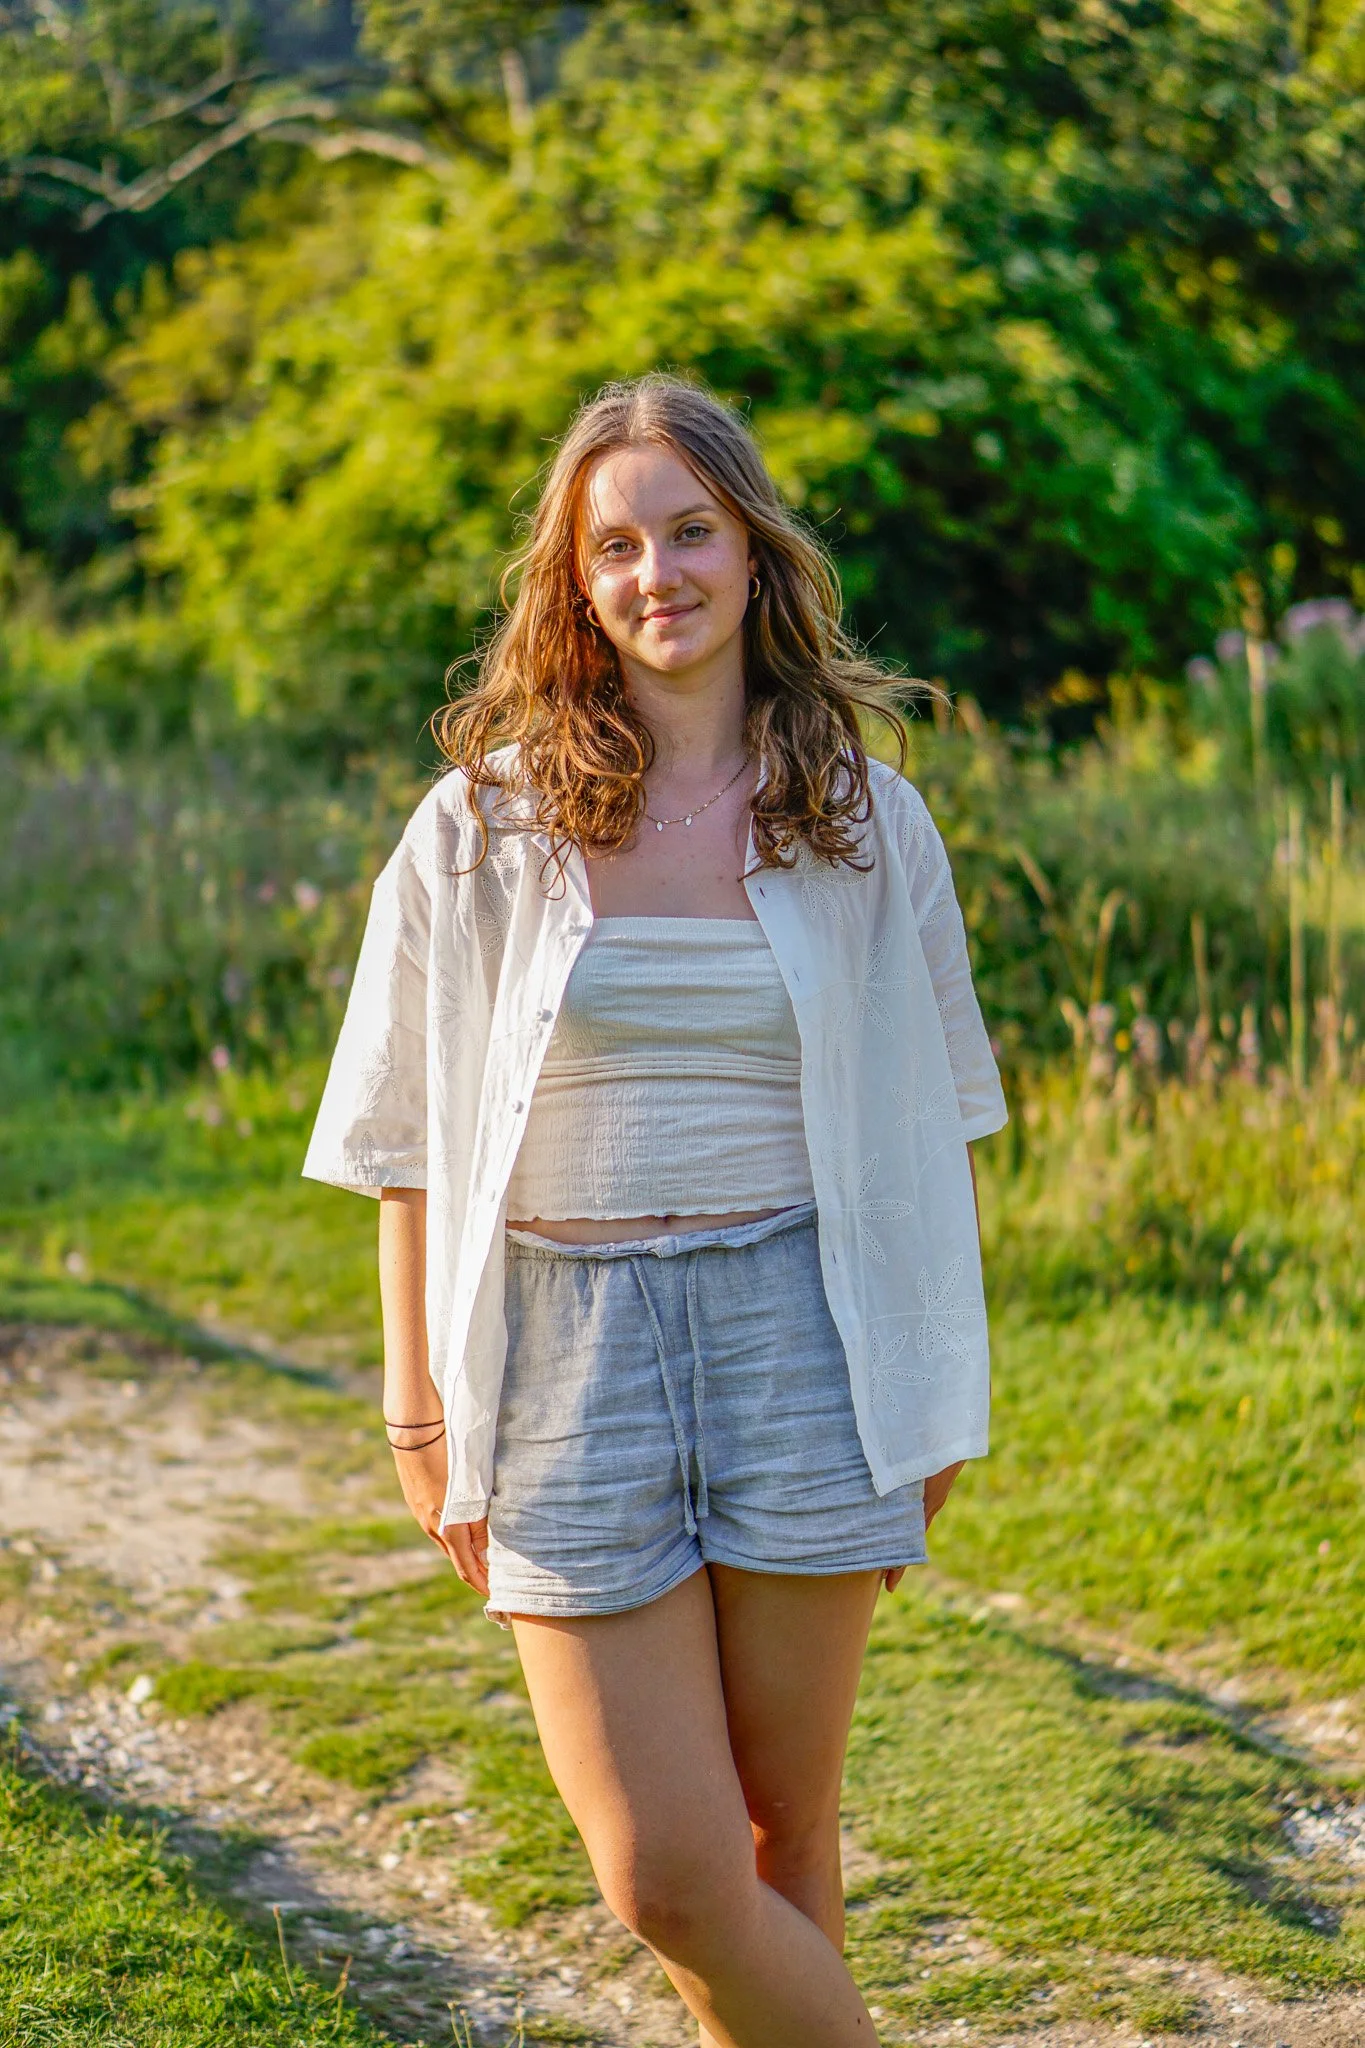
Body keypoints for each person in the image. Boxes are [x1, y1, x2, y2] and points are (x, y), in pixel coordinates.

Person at [304, 372, 1007, 2046]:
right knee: (669, 1876)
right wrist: (416, 1405)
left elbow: (939, 1126)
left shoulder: (866, 821)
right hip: (564, 1351)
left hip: (808, 1340)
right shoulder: (482, 825)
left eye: (690, 532)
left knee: (786, 1841)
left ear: (753, 553)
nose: (656, 573)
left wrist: (931, 1389)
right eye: (616, 545)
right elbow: (401, 1133)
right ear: (577, 579)